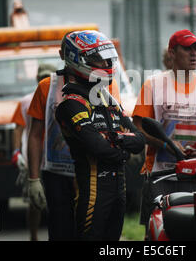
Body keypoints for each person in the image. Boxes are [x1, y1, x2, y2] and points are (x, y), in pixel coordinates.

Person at [132, 29, 196, 233]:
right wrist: (165, 143)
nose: (193, 53)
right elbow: (138, 127)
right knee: (160, 232)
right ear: (172, 53)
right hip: (162, 174)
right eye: (187, 48)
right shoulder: (152, 85)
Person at [27, 34, 122, 241]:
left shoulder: (107, 85)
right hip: (58, 172)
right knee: (61, 230)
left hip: (92, 171)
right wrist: (33, 178)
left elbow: (119, 124)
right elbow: (35, 135)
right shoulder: (47, 86)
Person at [54, 30, 145, 240]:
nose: (105, 65)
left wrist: (115, 140)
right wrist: (123, 147)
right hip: (93, 193)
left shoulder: (108, 99)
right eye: (98, 59)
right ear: (78, 59)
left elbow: (139, 140)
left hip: (118, 190)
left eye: (106, 60)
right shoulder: (71, 103)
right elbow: (98, 148)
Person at [11, 63, 56, 241]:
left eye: (47, 76)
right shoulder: (25, 101)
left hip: (55, 158)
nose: (44, 79)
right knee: (34, 202)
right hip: (34, 158)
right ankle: (34, 237)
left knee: (58, 202)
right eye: (41, 76)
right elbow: (18, 128)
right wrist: (16, 152)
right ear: (37, 78)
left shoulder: (60, 97)